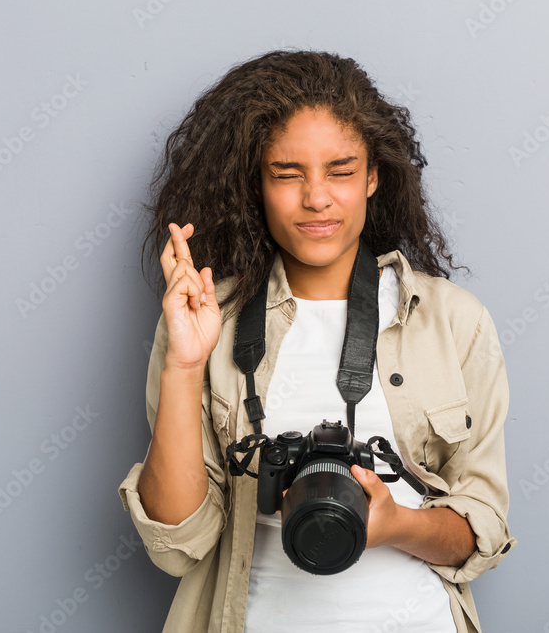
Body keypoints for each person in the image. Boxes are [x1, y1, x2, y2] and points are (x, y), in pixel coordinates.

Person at [118, 49, 516, 632]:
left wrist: (393, 524)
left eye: (341, 170)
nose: (317, 198)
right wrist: (184, 364)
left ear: (374, 176)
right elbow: (178, 545)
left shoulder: (453, 321)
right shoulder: (208, 319)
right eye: (287, 174)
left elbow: (479, 532)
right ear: (255, 184)